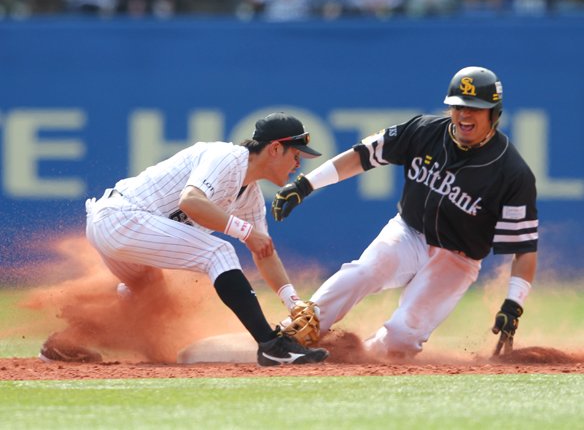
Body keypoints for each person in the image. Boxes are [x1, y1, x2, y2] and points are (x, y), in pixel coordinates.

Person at [272, 66, 538, 358]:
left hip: (457, 259)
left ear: (494, 114)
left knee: (402, 337)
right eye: (458, 106)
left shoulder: (512, 173)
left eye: (475, 108)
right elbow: (362, 155)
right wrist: (306, 184)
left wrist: (513, 305)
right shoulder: (424, 131)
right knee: (363, 272)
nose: (464, 114)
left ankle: (356, 355)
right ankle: (294, 334)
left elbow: (524, 249)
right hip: (409, 232)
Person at [39, 112, 330, 367]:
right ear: (275, 148)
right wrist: (243, 231)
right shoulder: (226, 157)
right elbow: (190, 201)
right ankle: (272, 346)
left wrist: (293, 302)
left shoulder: (250, 195)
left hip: (119, 228)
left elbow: (263, 250)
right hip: (121, 217)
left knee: (148, 296)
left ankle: (66, 343)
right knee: (219, 252)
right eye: (296, 155)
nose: (298, 164)